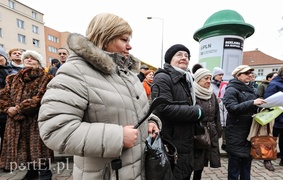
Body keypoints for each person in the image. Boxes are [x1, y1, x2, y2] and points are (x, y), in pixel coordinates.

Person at [38, 13, 161, 179]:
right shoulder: (75, 72)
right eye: (124, 40)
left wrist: (151, 121)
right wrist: (118, 137)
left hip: (137, 170)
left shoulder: (128, 74)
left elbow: (138, 109)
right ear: (104, 37)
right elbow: (54, 129)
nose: (129, 46)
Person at [151, 44, 204, 179]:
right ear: (170, 59)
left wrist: (196, 108)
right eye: (179, 54)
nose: (184, 58)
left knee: (184, 173)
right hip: (172, 140)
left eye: (187, 56)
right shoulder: (163, 77)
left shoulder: (186, 79)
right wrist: (196, 112)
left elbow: (190, 102)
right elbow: (163, 108)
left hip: (186, 139)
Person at [0, 50, 54, 179]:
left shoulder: (46, 78)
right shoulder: (12, 78)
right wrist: (8, 109)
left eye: (32, 58)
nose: (29, 60)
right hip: (15, 121)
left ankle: (45, 174)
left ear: (39, 62)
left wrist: (18, 109)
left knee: (39, 149)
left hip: (35, 119)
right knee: (23, 148)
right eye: (27, 58)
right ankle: (31, 172)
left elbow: (40, 98)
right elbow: (3, 95)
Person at [223, 65, 266, 180]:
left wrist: (264, 108)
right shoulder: (231, 89)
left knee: (247, 164)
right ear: (238, 75)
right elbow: (232, 108)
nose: (250, 75)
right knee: (234, 166)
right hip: (236, 132)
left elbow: (255, 107)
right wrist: (252, 103)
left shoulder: (253, 88)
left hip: (251, 131)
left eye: (251, 72)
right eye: (246, 73)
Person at [192, 67, 222, 180]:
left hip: (210, 131)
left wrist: (218, 130)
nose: (209, 81)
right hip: (197, 132)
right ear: (198, 80)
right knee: (194, 160)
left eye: (210, 78)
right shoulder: (192, 94)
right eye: (206, 78)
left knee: (202, 162)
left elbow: (216, 115)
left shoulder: (212, 94)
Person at [264, 66, 283, 168]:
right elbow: (267, 100)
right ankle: (267, 160)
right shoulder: (274, 84)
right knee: (271, 139)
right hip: (276, 117)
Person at [211, 67, 228, 151]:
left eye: (222, 75)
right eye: (219, 74)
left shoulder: (225, 85)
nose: (221, 76)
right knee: (217, 127)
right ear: (214, 75)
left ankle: (224, 143)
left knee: (225, 127)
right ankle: (214, 144)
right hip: (215, 109)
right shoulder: (210, 85)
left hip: (224, 108)